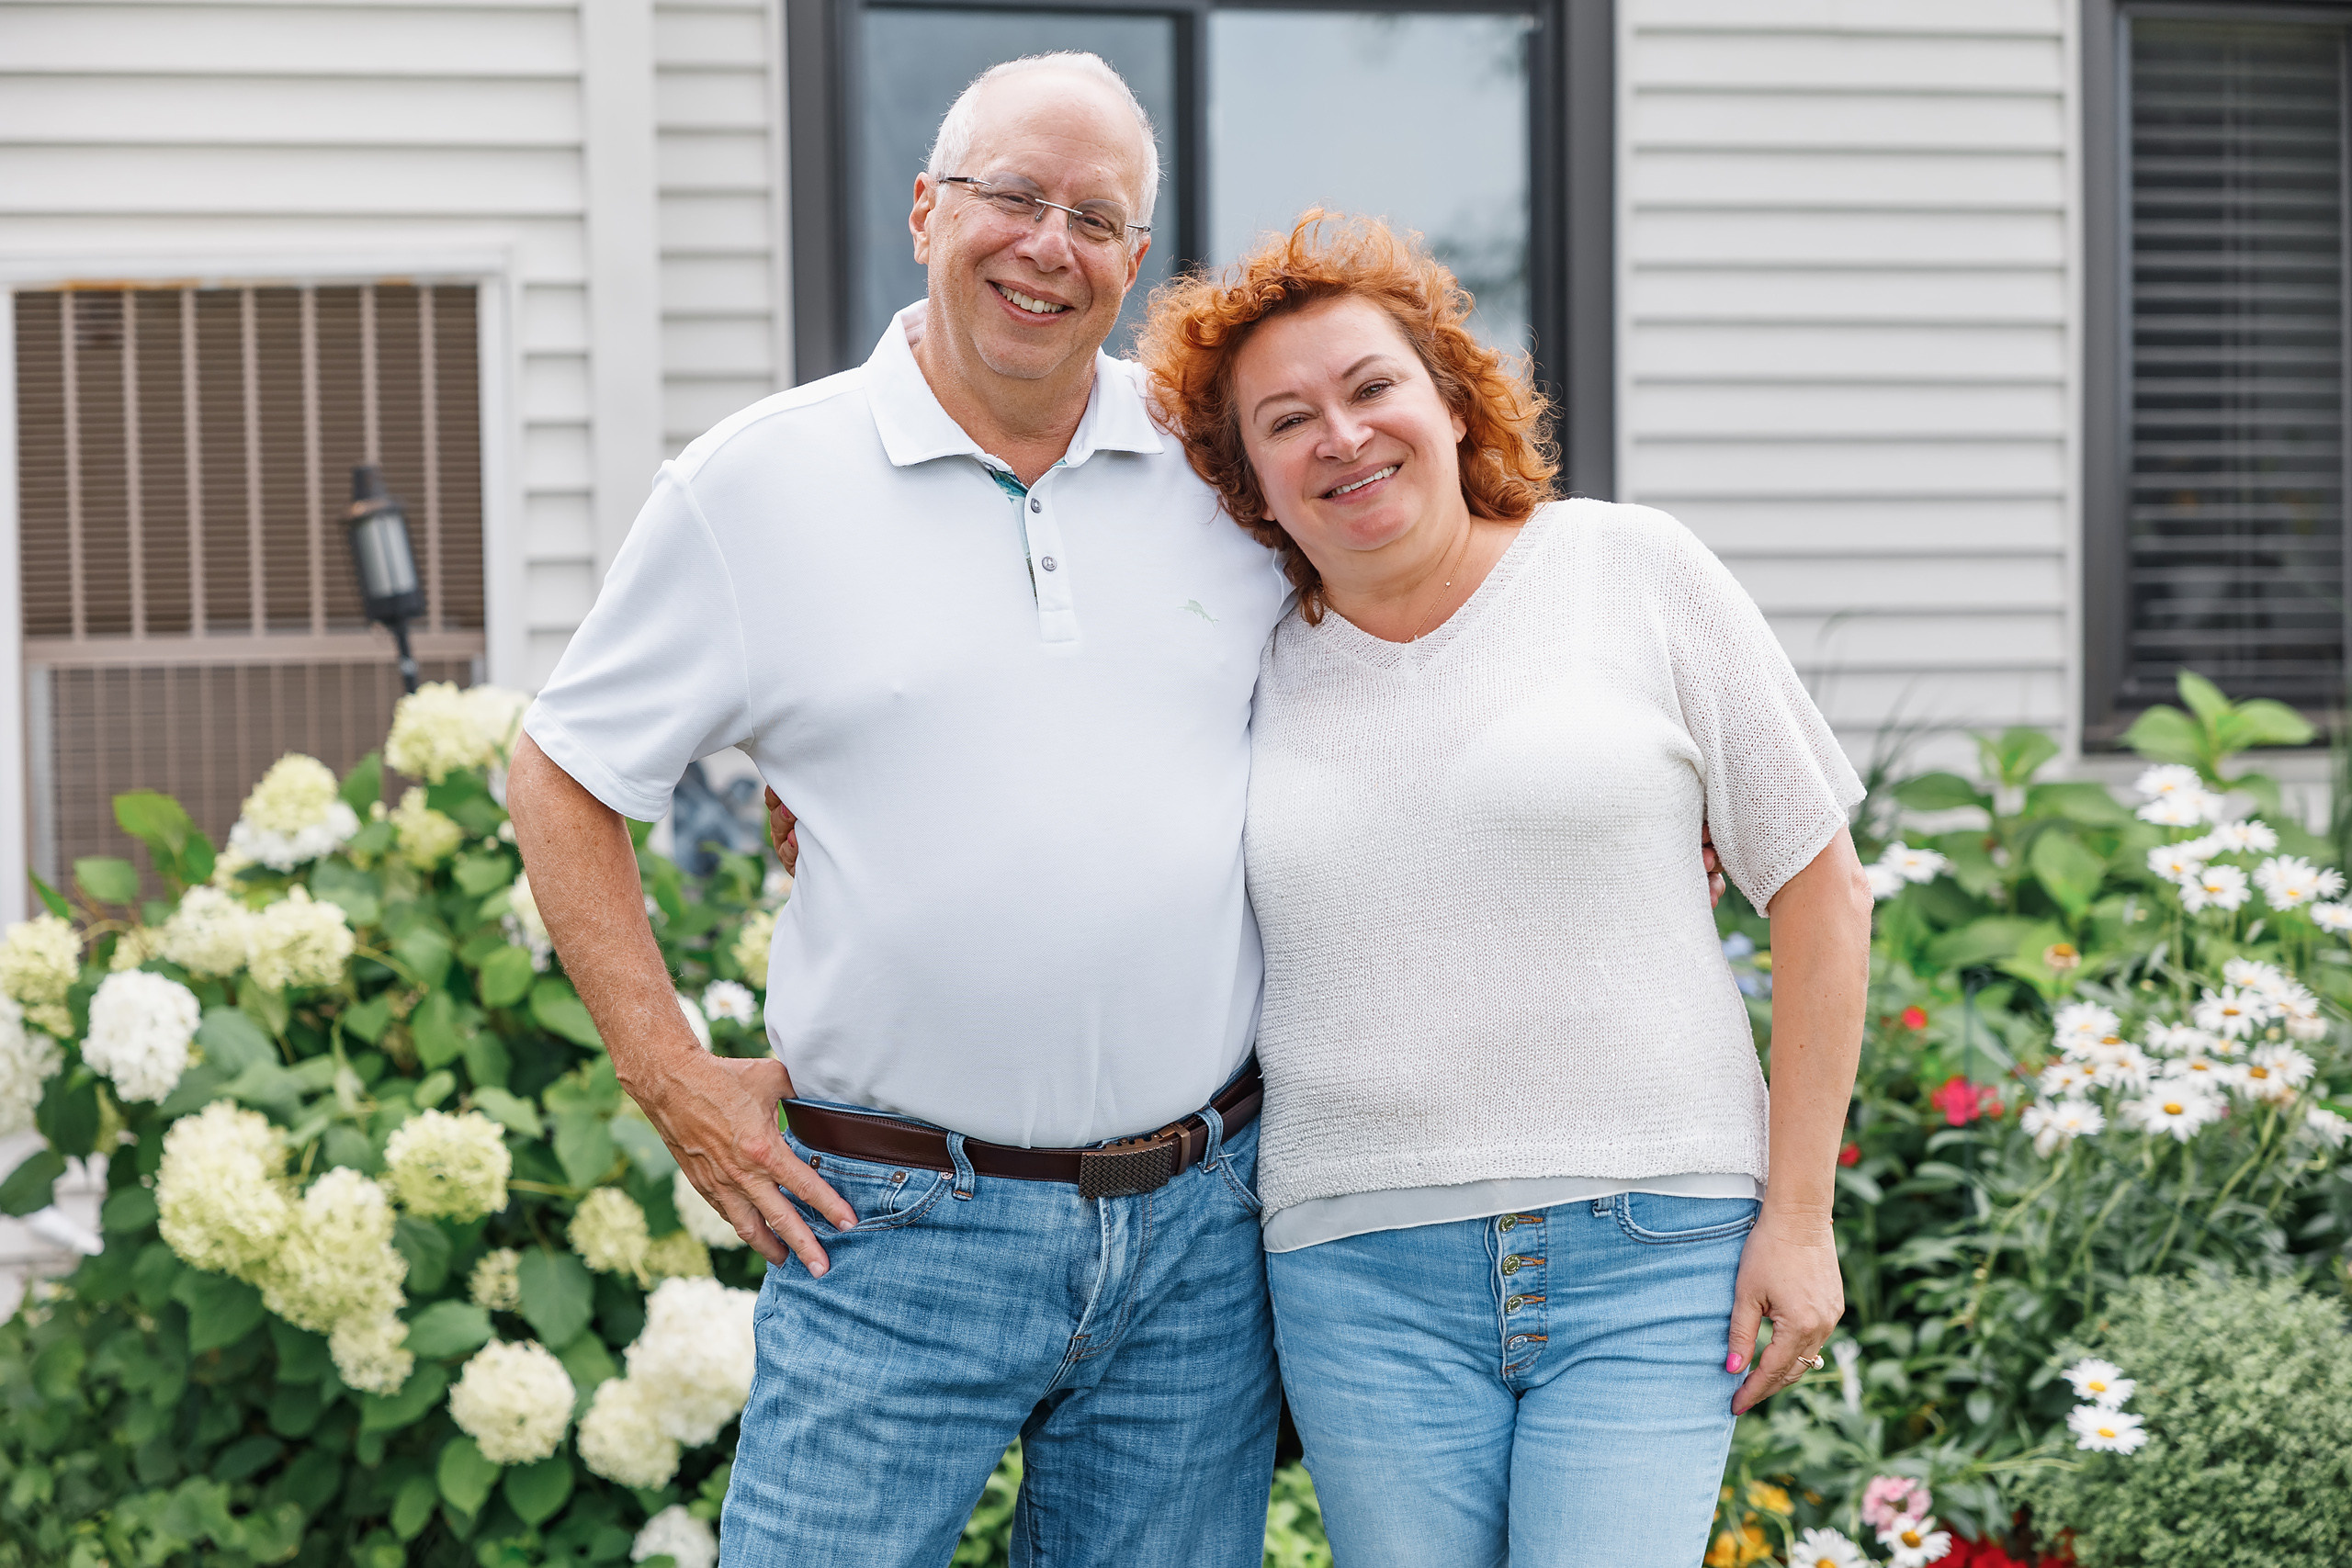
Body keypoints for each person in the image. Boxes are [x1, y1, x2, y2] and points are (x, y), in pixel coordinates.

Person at [506, 53, 1295, 1567]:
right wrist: (674, 1079)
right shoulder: (755, 487)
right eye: (1012, 195)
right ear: (926, 206)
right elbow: (563, 774)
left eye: (1097, 217)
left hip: (1201, 1231)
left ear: (1138, 262)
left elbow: (1403, 613)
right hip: (894, 1231)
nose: (1048, 245)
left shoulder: (1222, 464)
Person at [1134, 215, 1874, 1566]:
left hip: (1653, 1244)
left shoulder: (1629, 571)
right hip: (1358, 1270)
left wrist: (1801, 1218)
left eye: (1371, 388)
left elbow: (1821, 891)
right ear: (1250, 483)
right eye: (1286, 421)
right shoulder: (1239, 660)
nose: (1341, 438)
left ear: (1451, 399)